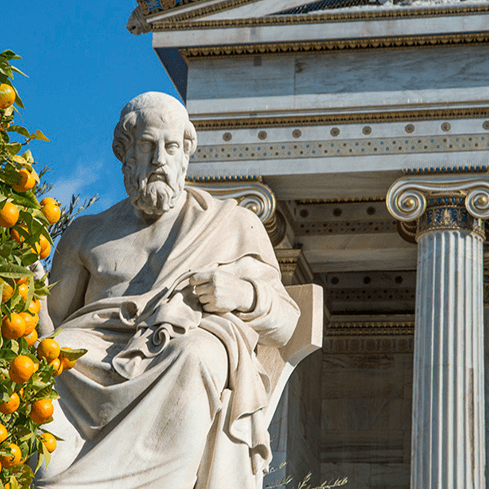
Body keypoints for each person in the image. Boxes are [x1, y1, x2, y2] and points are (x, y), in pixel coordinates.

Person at [34, 92, 300, 488]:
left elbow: (286, 322)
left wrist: (243, 295)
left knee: (195, 352)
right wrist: (29, 286)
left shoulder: (231, 223)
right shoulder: (85, 234)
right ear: (124, 153)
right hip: (87, 367)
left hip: (176, 354)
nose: (160, 159)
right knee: (49, 363)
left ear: (186, 154)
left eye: (171, 147)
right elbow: (49, 330)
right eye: (147, 145)